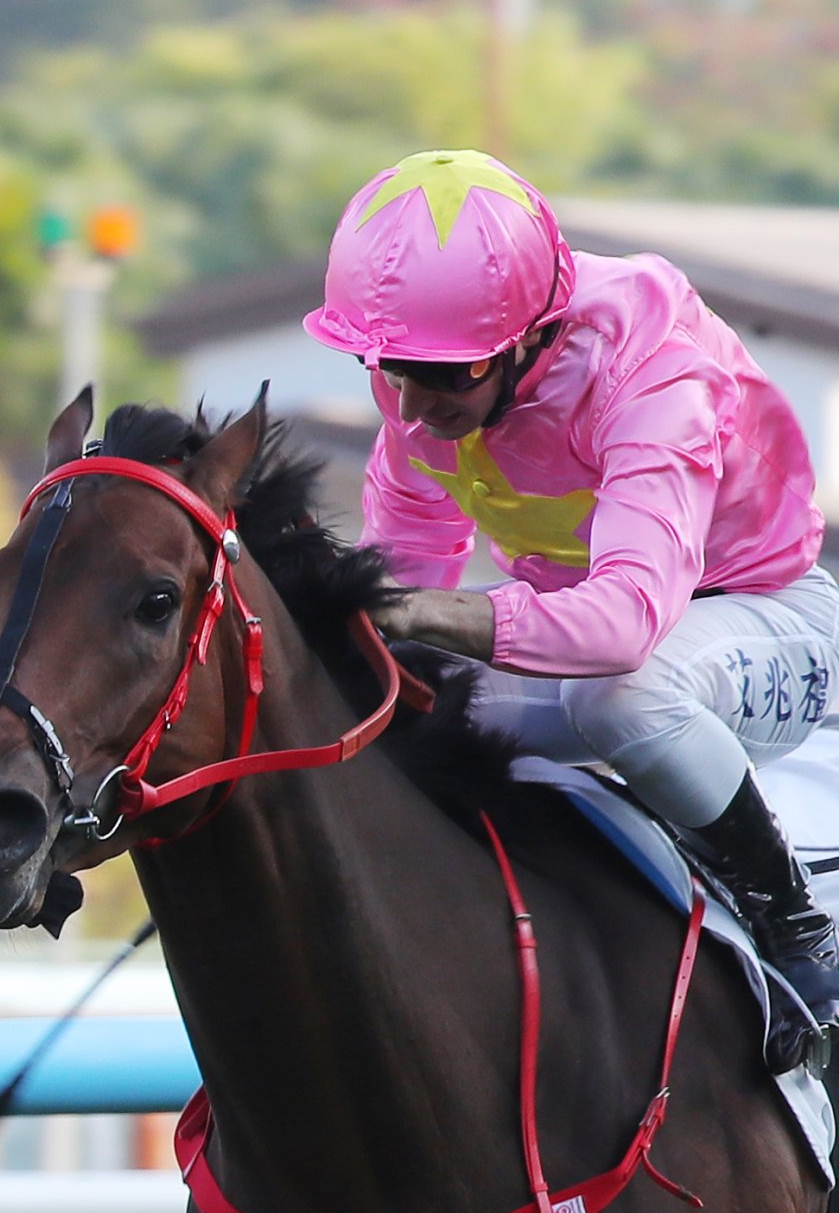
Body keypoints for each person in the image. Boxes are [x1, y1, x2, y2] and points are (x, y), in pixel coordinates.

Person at [321, 147, 839, 1022]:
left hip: (762, 617)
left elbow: (622, 628)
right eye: (389, 368)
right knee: (389, 701)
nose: (411, 407)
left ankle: (796, 929)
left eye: (443, 374)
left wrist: (423, 612)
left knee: (622, 699)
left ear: (529, 335)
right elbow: (401, 579)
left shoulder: (652, 372)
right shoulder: (429, 378)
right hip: (588, 637)